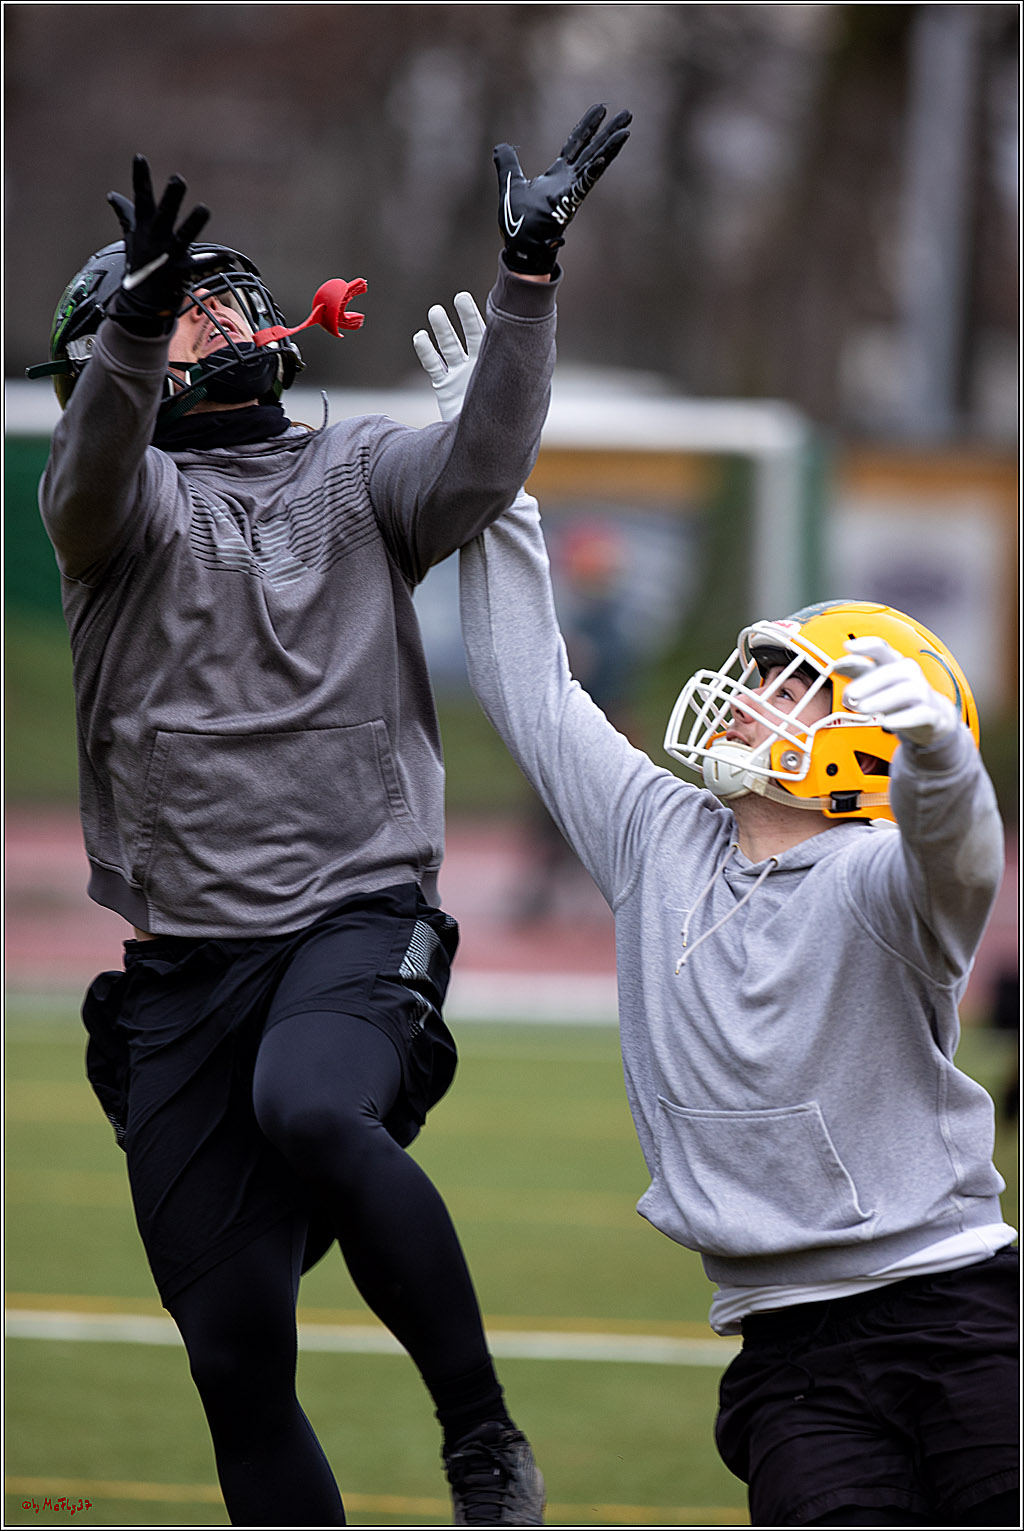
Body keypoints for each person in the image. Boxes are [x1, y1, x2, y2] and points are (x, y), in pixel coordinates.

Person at [31, 104, 630, 1530]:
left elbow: (484, 462)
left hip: (352, 914)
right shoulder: (116, 508)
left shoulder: (358, 469)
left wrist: (528, 282)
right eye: (179, 309)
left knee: (312, 1102)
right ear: (108, 362)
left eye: (223, 293)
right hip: (183, 964)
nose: (216, 311)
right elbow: (98, 463)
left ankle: (483, 1439)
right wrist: (130, 337)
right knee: (237, 1360)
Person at [413, 298, 1019, 1528]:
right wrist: (488, 457)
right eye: (760, 673)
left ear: (858, 739)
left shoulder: (878, 878)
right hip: (787, 1350)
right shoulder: (652, 836)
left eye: (790, 684)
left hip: (962, 1315)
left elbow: (961, 862)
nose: (748, 696)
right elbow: (530, 684)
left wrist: (943, 758)